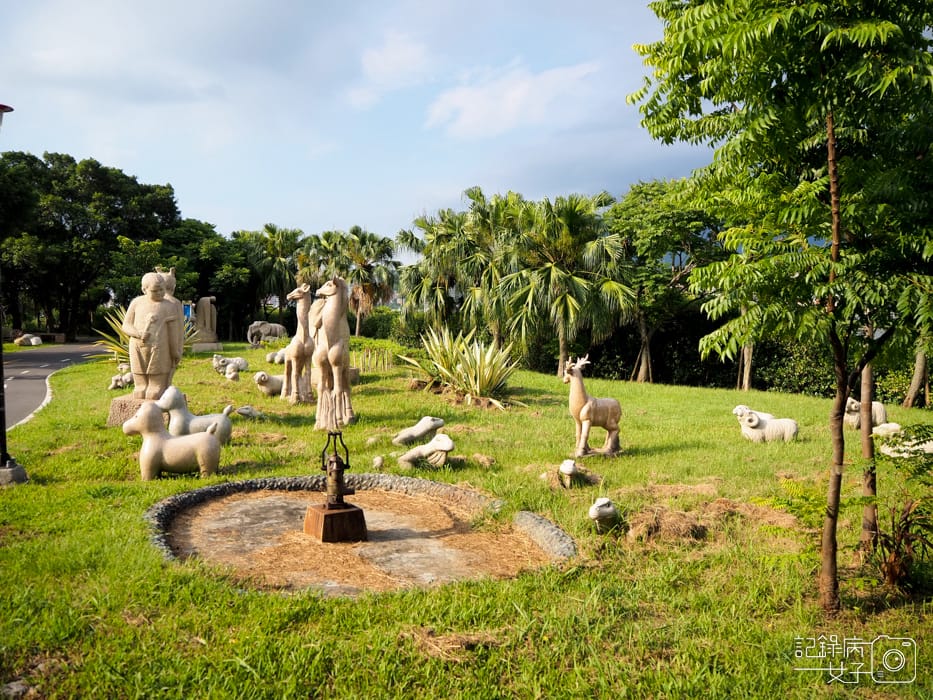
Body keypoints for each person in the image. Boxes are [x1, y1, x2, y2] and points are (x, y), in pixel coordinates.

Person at [122, 272, 182, 400]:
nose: (160, 293)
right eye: (155, 291)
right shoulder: (136, 303)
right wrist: (137, 334)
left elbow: (173, 331)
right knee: (139, 370)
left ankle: (157, 386)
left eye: (162, 289)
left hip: (160, 346)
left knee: (157, 369)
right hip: (138, 345)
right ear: (144, 290)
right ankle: (140, 385)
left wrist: (175, 351)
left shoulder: (169, 306)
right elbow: (126, 325)